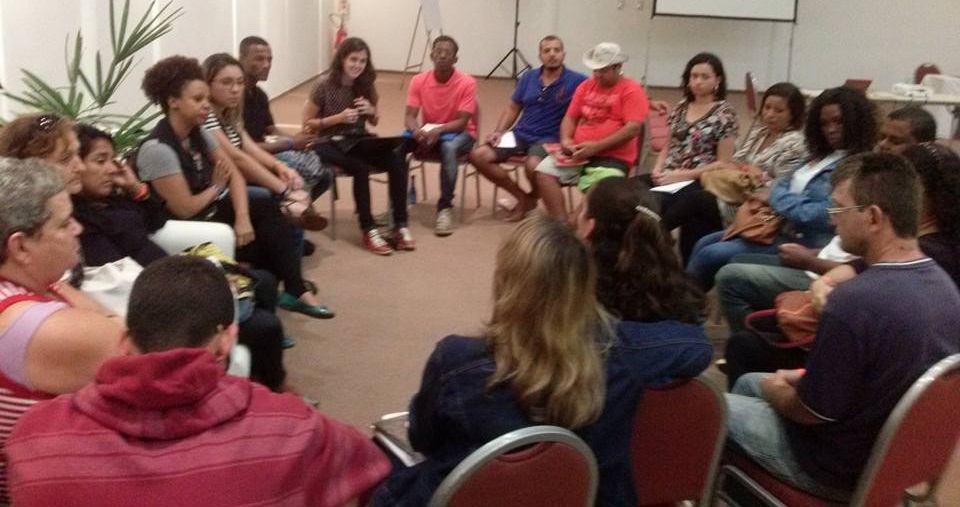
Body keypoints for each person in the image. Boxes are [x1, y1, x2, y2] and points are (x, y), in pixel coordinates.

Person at [371, 214, 711, 506]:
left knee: (377, 459)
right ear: (583, 284)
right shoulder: (627, 352)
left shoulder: (458, 359)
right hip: (591, 497)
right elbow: (699, 346)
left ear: (507, 282)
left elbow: (422, 438)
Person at [6, 256, 389, 507]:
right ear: (225, 341)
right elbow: (374, 473)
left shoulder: (33, 438)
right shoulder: (295, 428)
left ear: (123, 341)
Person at [724, 152, 960, 501]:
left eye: (838, 209)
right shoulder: (945, 287)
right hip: (891, 460)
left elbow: (810, 412)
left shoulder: (853, 302)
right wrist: (796, 383)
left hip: (833, 467)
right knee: (746, 381)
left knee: (711, 407)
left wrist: (780, 390)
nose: (833, 222)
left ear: (874, 217)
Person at [722, 142, 960, 387]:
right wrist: (824, 283)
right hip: (877, 373)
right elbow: (858, 267)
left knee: (749, 373)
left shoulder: (925, 255)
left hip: (870, 388)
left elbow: (815, 409)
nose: (833, 217)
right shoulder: (912, 249)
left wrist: (779, 390)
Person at [75, 124, 291, 390]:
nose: (111, 168)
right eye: (100, 160)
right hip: (162, 296)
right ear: (76, 165)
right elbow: (123, 278)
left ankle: (258, 365)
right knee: (266, 326)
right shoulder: (82, 223)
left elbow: (158, 219)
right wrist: (198, 286)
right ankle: (276, 385)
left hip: (172, 272)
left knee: (265, 281)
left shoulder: (112, 199)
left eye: (112, 159)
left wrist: (135, 189)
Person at [136, 55, 334, 319]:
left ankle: (286, 294)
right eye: (198, 99)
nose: (206, 105)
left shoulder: (198, 133)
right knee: (270, 226)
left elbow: (236, 176)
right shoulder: (158, 150)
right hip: (188, 224)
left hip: (210, 208)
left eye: (206, 98)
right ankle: (281, 298)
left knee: (267, 213)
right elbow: (184, 209)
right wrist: (216, 187)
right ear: (173, 102)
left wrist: (242, 218)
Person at [715, 106, 937, 334]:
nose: (883, 145)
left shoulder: (882, 188)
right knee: (732, 257)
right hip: (818, 255)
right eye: (882, 137)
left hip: (817, 257)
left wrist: (811, 260)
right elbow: (785, 183)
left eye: (895, 140)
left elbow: (823, 217)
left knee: (725, 267)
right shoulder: (831, 160)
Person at [0, 158, 122, 504]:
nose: (78, 230)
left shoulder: (32, 286)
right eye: (65, 223)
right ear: (21, 246)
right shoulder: (30, 327)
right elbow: (153, 353)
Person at [687, 86, 877, 290]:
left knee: (712, 254)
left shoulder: (858, 166)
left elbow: (822, 214)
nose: (830, 129)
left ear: (856, 121)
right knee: (705, 242)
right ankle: (686, 306)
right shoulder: (820, 154)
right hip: (775, 229)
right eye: (824, 123)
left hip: (808, 245)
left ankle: (684, 310)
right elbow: (782, 182)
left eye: (838, 121)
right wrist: (782, 196)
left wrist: (777, 199)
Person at [303, 37, 414, 254]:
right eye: (353, 59)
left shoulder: (365, 83)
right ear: (342, 59)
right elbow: (307, 124)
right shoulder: (324, 84)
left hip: (358, 140)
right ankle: (368, 229)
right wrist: (338, 118)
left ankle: (400, 225)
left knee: (396, 157)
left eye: (363, 61)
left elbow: (374, 121)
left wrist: (371, 111)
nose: (358, 65)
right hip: (327, 141)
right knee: (360, 168)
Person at [202, 52, 327, 232]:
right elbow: (236, 158)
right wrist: (284, 190)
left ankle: (292, 225)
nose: (236, 89)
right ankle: (291, 226)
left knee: (296, 177)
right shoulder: (208, 117)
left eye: (239, 82)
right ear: (207, 84)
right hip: (221, 182)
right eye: (226, 82)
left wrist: (279, 167)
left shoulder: (229, 114)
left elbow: (249, 148)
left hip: (240, 173)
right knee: (276, 194)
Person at [467, 35, 586, 221]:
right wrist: (499, 131)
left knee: (533, 166)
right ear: (540, 56)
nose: (552, 54)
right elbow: (513, 108)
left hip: (550, 137)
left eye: (556, 50)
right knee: (478, 155)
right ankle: (523, 198)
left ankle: (529, 199)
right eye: (547, 51)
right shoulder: (528, 77)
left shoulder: (577, 81)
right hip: (520, 133)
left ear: (564, 54)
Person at [534, 42, 648, 219]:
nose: (597, 75)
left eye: (602, 70)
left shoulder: (631, 90)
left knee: (598, 192)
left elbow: (633, 129)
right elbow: (570, 117)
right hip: (579, 152)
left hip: (614, 157)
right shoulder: (586, 86)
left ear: (618, 67)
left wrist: (596, 147)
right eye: (595, 70)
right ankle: (562, 223)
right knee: (543, 173)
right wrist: (566, 141)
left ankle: (575, 225)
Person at [647, 52, 739, 263]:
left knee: (660, 204)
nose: (697, 82)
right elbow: (668, 145)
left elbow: (723, 163)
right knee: (630, 193)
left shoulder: (725, 113)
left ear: (718, 80)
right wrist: (658, 168)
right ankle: (653, 249)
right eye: (693, 76)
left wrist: (681, 175)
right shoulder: (681, 107)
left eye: (704, 77)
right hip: (669, 175)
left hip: (699, 177)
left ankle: (654, 244)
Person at [238, 35, 332, 200]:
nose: (266, 65)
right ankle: (295, 209)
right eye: (259, 59)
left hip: (262, 151)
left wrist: (300, 139)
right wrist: (290, 143)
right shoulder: (235, 100)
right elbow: (244, 148)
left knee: (325, 176)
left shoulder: (260, 95)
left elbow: (271, 129)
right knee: (299, 173)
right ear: (241, 59)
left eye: (269, 59)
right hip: (248, 158)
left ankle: (296, 209)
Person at [404, 35, 477, 236]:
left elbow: (462, 122)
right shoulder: (418, 80)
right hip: (430, 132)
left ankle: (444, 207)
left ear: (455, 59)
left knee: (449, 148)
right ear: (431, 55)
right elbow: (409, 116)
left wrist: (438, 130)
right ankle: (397, 205)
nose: (443, 55)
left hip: (461, 134)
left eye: (448, 53)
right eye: (439, 51)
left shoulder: (467, 82)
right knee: (398, 145)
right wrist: (415, 130)